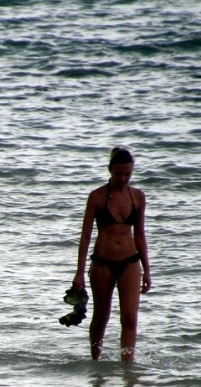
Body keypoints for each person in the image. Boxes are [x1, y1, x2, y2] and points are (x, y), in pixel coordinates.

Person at [72, 146, 152, 361]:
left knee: (130, 318)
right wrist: (79, 273)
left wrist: (147, 270)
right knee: (101, 317)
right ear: (110, 170)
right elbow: (86, 237)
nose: (123, 178)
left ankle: (127, 368)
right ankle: (95, 360)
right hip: (102, 263)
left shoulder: (138, 197)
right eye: (119, 174)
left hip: (130, 262)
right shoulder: (97, 197)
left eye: (128, 174)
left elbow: (140, 236)